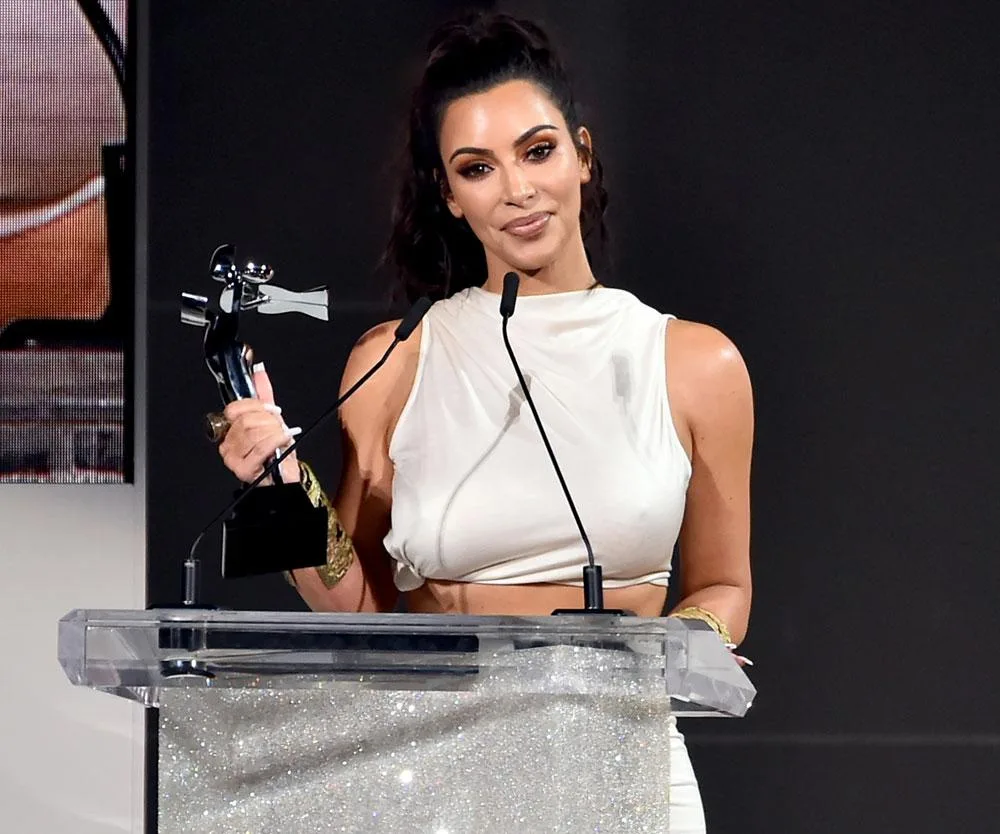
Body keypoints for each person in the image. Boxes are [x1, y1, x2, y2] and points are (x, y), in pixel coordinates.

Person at [216, 13, 752, 832]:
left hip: (621, 763)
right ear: (450, 195)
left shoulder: (694, 363)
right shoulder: (392, 362)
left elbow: (724, 582)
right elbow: (362, 615)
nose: (517, 189)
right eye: (478, 168)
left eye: (537, 151)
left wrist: (674, 648)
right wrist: (286, 492)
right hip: (439, 771)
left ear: (582, 152)